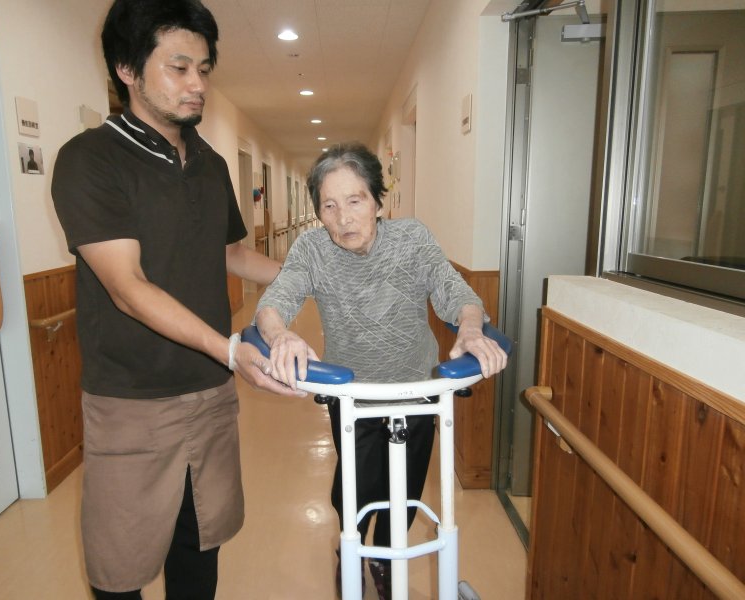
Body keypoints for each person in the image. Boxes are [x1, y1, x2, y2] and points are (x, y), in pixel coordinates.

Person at [51, 1, 303, 598]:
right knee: (120, 566)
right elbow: (128, 287)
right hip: (132, 401)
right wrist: (230, 347)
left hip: (210, 393)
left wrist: (315, 277)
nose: (198, 84)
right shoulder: (90, 159)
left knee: (200, 543)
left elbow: (232, 253)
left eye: (204, 69)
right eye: (179, 67)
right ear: (127, 69)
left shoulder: (210, 162)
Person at [254, 142, 508, 599]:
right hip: (352, 397)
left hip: (417, 392)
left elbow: (455, 291)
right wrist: (280, 336)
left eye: (355, 201)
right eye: (329, 206)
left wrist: (471, 328)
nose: (343, 218)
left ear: (377, 200)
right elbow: (274, 303)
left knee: (405, 490)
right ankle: (350, 550)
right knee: (355, 489)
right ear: (318, 212)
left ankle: (386, 558)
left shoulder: (411, 238)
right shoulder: (312, 248)